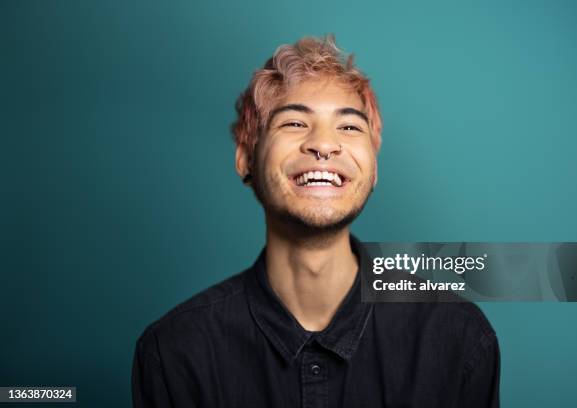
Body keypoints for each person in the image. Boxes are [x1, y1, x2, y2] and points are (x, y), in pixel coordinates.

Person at [132, 35, 500, 407]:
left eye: (350, 127)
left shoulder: (458, 338)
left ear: (373, 169)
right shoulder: (175, 353)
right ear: (246, 159)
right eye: (294, 123)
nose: (324, 144)